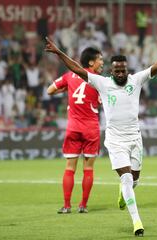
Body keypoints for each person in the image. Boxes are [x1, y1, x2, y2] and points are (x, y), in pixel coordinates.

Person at [45, 29, 157, 237]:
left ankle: (124, 195)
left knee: (135, 179)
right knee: (126, 180)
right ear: (111, 72)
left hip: (135, 138)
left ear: (126, 69)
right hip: (115, 140)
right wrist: (59, 52)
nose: (120, 74)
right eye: (117, 71)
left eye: (123, 70)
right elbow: (76, 69)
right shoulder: (102, 83)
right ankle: (137, 221)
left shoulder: (136, 80)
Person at [46, 47, 104, 214]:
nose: (102, 63)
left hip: (73, 127)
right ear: (91, 62)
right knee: (88, 169)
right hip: (91, 128)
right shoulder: (99, 80)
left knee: (70, 167)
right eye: (100, 59)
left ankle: (66, 205)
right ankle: (83, 205)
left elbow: (50, 90)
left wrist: (66, 89)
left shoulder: (69, 76)